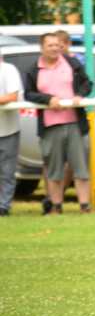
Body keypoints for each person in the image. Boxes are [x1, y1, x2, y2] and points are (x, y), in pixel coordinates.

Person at [24, 32, 92, 214]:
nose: (54, 48)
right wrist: (48, 99)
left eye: (57, 45)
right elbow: (28, 93)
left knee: (81, 169)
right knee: (54, 170)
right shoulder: (34, 69)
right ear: (42, 48)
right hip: (50, 125)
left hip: (75, 124)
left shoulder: (72, 64)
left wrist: (79, 95)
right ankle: (56, 206)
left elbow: (87, 84)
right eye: (50, 45)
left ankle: (84, 207)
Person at [0, 49, 23, 216]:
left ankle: (3, 207)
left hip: (8, 129)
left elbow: (12, 96)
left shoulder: (8, 69)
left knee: (7, 172)